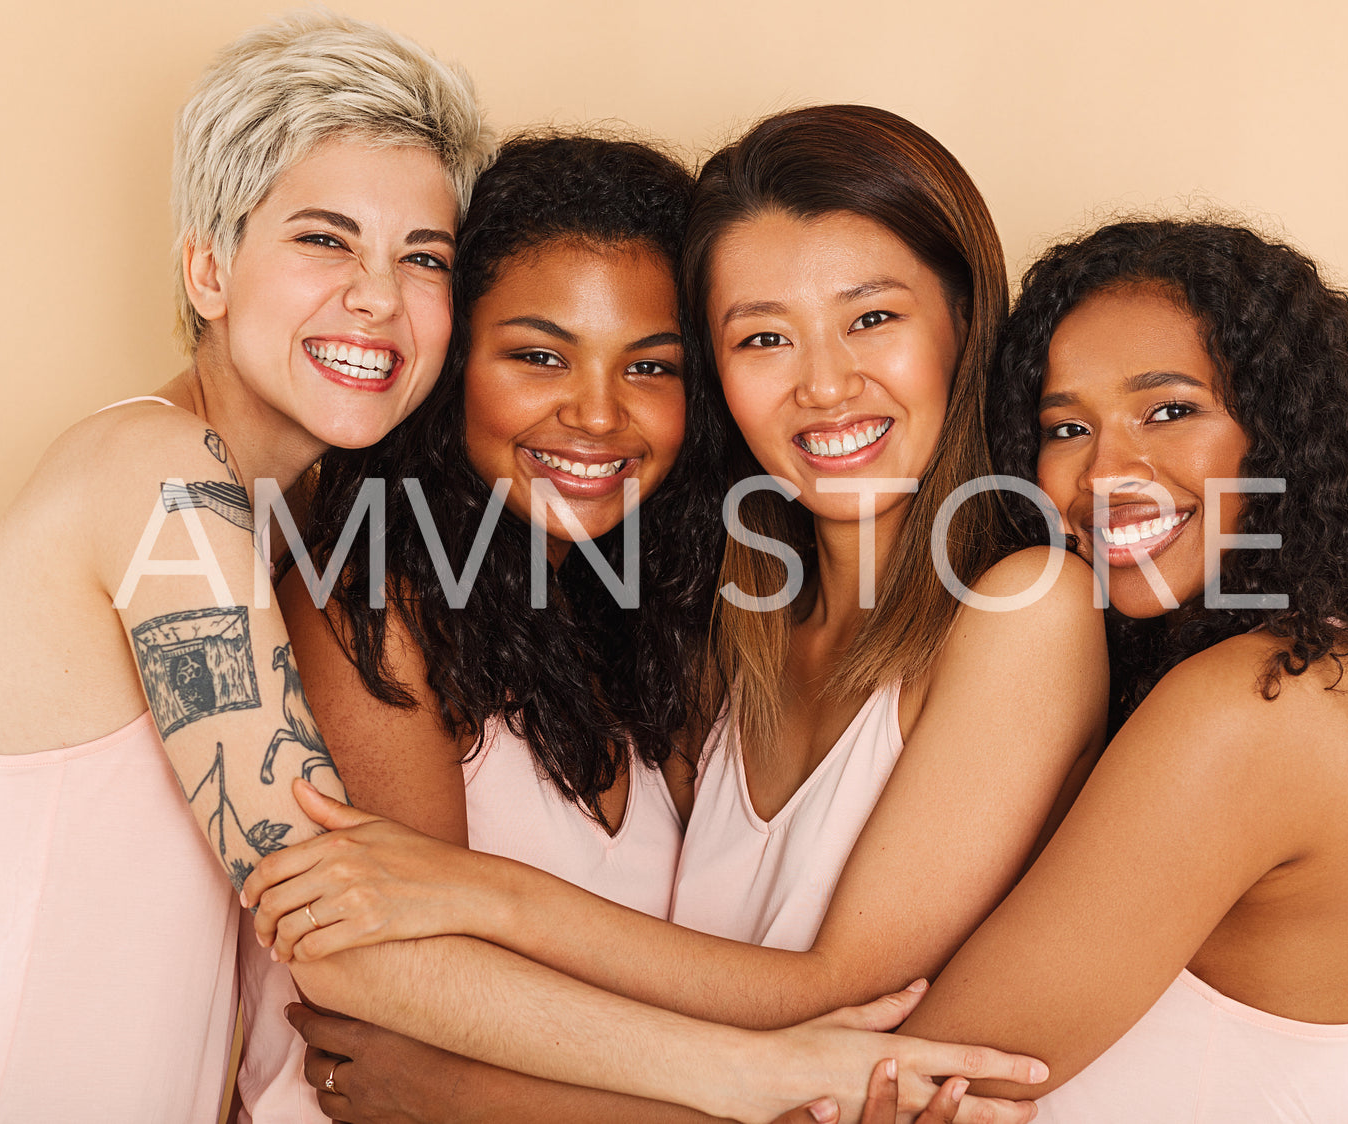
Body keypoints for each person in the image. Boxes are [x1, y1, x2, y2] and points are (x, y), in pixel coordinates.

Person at [246, 105, 1106, 1122]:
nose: (824, 384)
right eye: (764, 337)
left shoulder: (1015, 607)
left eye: (871, 317)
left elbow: (838, 998)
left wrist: (469, 1058)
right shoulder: (719, 632)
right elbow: (383, 981)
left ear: (963, 321)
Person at [0, 10, 489, 1120]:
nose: (378, 296)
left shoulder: (304, 524)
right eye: (324, 239)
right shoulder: (156, 471)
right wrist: (754, 1068)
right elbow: (338, 938)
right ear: (208, 267)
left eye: (423, 257)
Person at [882, 219, 1348, 1120]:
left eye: (1169, 410)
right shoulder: (1329, 676)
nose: (1106, 472)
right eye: (1066, 426)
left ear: (1286, 435)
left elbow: (903, 1094)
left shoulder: (1257, 709)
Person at [239, 131, 728, 1121]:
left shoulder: (636, 629)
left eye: (649, 367)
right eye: (539, 355)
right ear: (455, 359)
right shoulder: (368, 609)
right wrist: (761, 1086)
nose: (596, 414)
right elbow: (399, 1011)